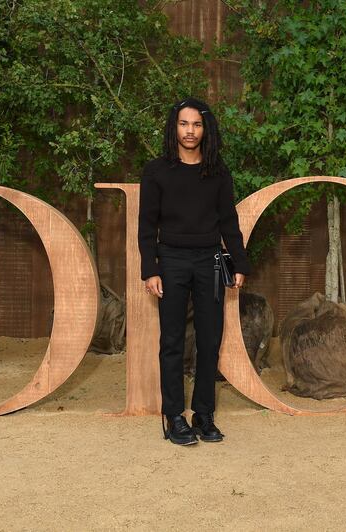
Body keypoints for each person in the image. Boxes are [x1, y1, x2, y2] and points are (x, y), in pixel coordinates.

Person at [137, 98, 250, 446]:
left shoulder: (217, 171)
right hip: (170, 261)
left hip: (211, 262)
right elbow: (146, 225)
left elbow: (229, 222)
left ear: (206, 129)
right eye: (184, 124)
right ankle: (174, 416)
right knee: (171, 341)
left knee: (209, 339)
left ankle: (203, 414)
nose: (190, 131)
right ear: (174, 127)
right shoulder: (156, 171)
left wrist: (239, 263)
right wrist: (150, 269)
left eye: (197, 125)